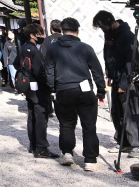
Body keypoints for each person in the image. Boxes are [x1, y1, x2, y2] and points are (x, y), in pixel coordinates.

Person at [45, 17, 107, 171]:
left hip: (63, 89)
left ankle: (67, 153)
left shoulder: (52, 48)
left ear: (62, 31)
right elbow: (97, 71)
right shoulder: (86, 48)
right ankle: (90, 160)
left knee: (66, 124)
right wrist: (101, 91)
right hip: (84, 90)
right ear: (78, 31)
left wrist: (53, 89)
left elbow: (49, 71)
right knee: (89, 125)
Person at [93, 10, 139, 156]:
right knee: (117, 112)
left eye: (103, 26)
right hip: (115, 76)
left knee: (131, 112)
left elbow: (131, 61)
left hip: (129, 79)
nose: (102, 29)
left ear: (111, 22)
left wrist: (124, 83)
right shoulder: (109, 34)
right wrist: (109, 74)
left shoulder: (127, 36)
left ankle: (138, 145)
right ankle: (124, 143)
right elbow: (108, 55)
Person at [14, 23, 58, 158]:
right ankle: (41, 148)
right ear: (33, 35)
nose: (43, 36)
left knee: (32, 115)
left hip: (28, 86)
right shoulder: (34, 50)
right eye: (40, 34)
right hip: (38, 87)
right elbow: (39, 72)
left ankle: (33, 145)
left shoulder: (23, 48)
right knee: (41, 117)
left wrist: (25, 73)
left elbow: (16, 63)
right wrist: (50, 85)